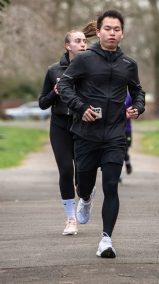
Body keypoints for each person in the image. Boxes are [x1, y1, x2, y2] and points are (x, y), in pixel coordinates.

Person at [58, 10, 145, 258]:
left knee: (111, 186)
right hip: (86, 135)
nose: (112, 33)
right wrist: (81, 107)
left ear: (122, 33)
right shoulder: (84, 60)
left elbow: (139, 92)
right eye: (107, 28)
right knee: (83, 185)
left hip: (115, 136)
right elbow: (64, 85)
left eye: (117, 29)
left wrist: (137, 107)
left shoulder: (129, 64)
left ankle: (106, 240)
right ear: (98, 31)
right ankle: (85, 198)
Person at [38, 21, 96, 236]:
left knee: (83, 173)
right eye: (78, 41)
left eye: (84, 41)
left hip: (84, 125)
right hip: (60, 125)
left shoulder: (92, 69)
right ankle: (70, 219)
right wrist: (54, 92)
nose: (83, 44)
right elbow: (43, 103)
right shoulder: (54, 70)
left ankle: (86, 196)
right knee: (65, 170)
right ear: (67, 46)